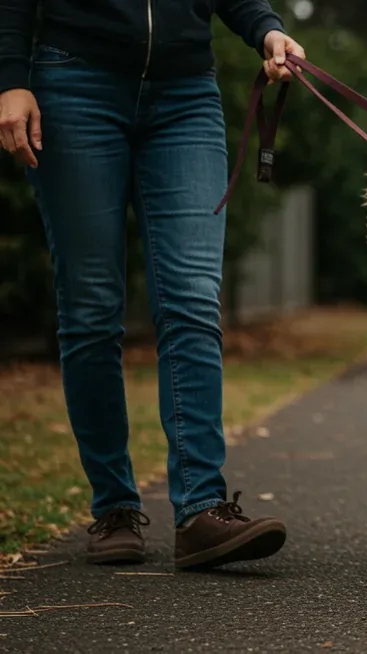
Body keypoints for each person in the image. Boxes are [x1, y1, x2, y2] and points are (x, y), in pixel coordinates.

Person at [0, 0, 305, 568]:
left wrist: (268, 31)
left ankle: (201, 508)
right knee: (91, 307)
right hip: (74, 82)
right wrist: (11, 78)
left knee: (192, 298)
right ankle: (113, 506)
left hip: (186, 92)